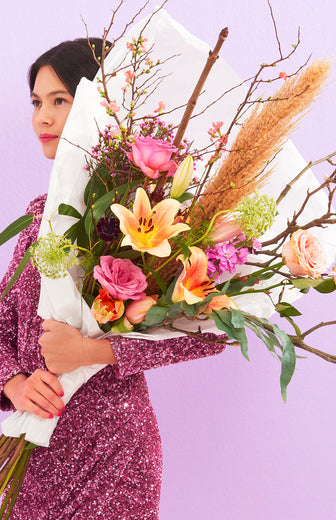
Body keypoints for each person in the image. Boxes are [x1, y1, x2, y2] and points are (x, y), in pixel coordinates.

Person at [0, 38, 224, 520]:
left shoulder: (145, 218)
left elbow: (209, 329)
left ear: (102, 106)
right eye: (37, 102)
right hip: (34, 448)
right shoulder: (39, 224)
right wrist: (15, 384)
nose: (42, 118)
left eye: (60, 101)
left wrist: (90, 351)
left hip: (114, 455)